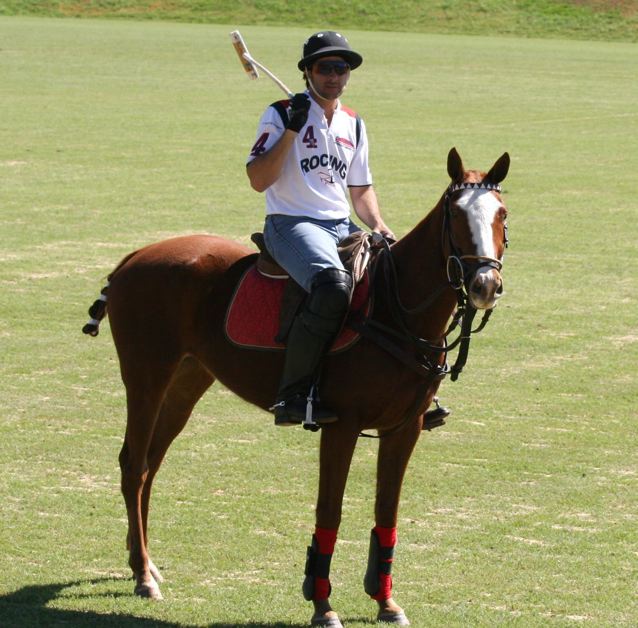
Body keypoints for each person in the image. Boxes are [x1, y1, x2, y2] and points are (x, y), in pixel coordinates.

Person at [246, 31, 394, 427]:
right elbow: (258, 179)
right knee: (332, 287)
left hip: (341, 223)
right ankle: (292, 395)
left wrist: (379, 225)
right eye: (325, 68)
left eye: (341, 68)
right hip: (291, 222)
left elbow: (360, 189)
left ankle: (404, 387)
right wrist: (292, 130)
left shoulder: (353, 122)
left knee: (394, 275)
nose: (334, 76)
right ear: (308, 72)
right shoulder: (280, 113)